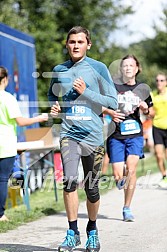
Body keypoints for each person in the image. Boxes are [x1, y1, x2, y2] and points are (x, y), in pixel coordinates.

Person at [48, 26, 118, 252]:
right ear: (67, 45)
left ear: (88, 44)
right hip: (69, 133)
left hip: (93, 136)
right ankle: (71, 232)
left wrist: (86, 91)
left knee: (92, 189)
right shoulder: (59, 69)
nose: (75, 46)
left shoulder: (98, 68)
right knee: (69, 181)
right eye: (72, 42)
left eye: (80, 42)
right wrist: (54, 106)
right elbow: (52, 93)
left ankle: (93, 230)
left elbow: (112, 102)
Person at [103, 55, 153, 222]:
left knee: (131, 170)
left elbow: (151, 112)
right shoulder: (113, 87)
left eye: (131, 65)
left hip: (135, 134)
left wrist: (145, 109)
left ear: (137, 68)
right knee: (119, 175)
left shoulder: (143, 88)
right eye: (125, 65)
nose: (128, 68)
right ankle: (120, 180)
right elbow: (101, 106)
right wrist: (110, 112)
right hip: (116, 135)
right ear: (121, 69)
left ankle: (126, 208)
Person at [0, 66, 48, 221]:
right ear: (5, 79)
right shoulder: (7, 98)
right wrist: (39, 118)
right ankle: (0, 215)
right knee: (2, 180)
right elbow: (20, 121)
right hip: (5, 145)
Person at [151, 73, 167, 188]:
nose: (159, 83)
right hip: (157, 126)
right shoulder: (153, 95)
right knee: (158, 154)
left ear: (166, 82)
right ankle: (164, 175)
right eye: (157, 80)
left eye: (161, 80)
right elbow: (150, 111)